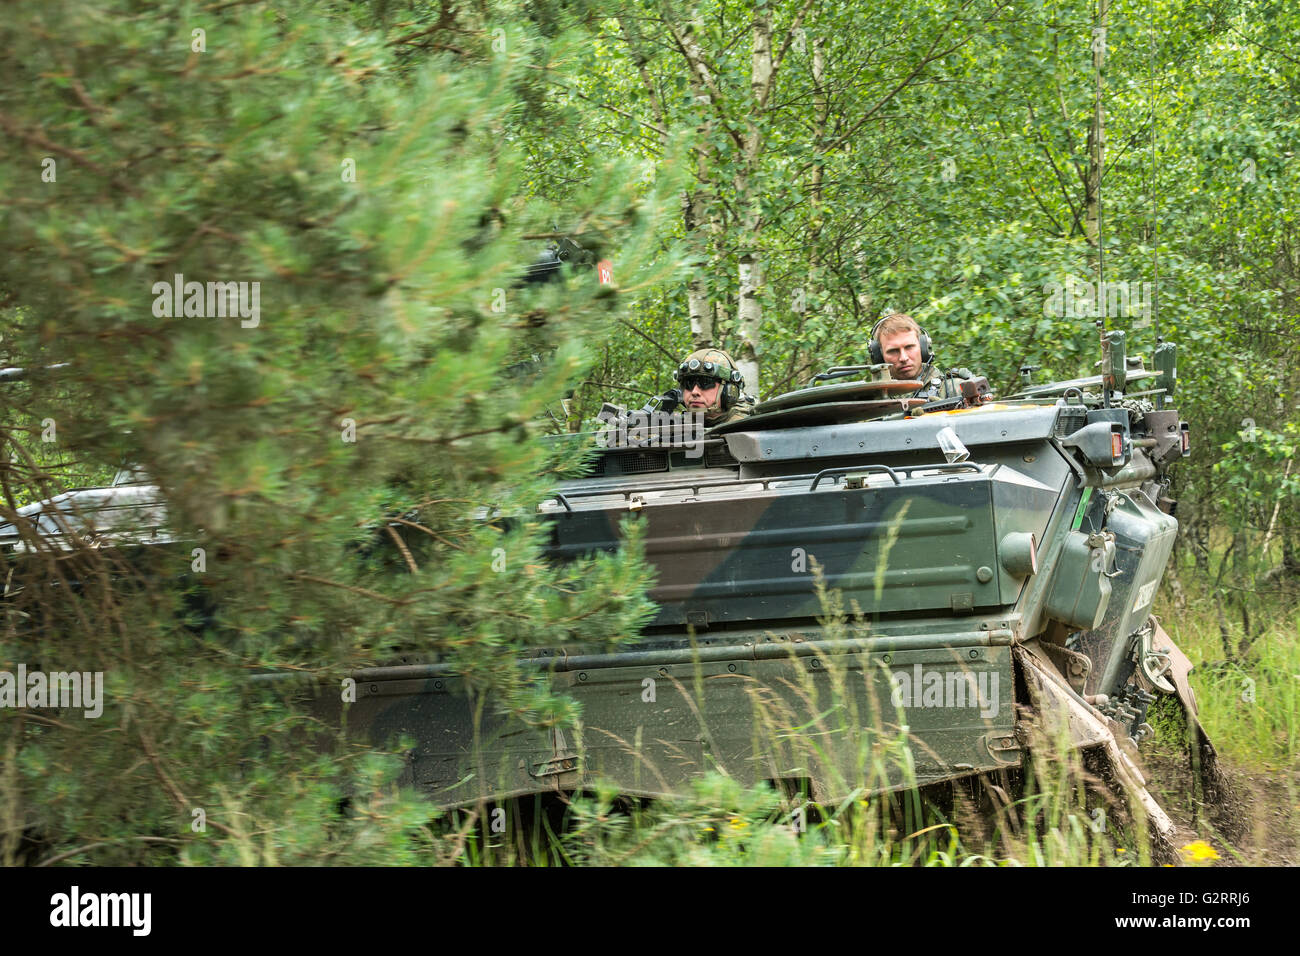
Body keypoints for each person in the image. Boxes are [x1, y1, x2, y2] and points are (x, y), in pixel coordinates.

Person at [869, 313, 974, 401]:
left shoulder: (956, 389)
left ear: (923, 348)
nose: (903, 358)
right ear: (880, 356)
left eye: (909, 347)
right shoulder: (870, 401)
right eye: (893, 351)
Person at [673, 347, 754, 427]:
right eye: (688, 383)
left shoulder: (749, 426)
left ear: (728, 391)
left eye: (705, 383)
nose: (694, 392)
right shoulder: (674, 427)